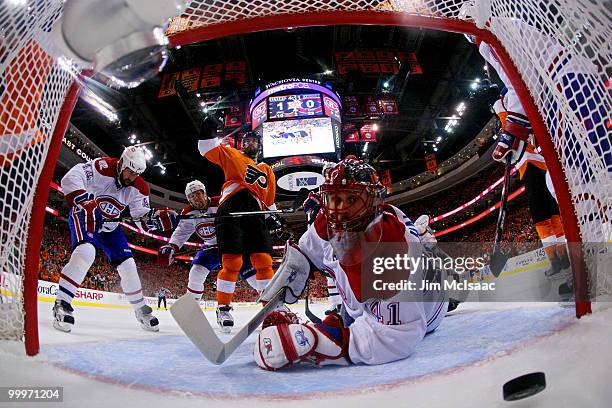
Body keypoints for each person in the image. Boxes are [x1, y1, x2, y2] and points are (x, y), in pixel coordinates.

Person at [254, 157, 448, 370]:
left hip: (429, 307)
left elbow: (397, 336)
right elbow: (307, 252)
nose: (340, 210)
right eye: (334, 198)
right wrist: (291, 272)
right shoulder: (325, 224)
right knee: (350, 313)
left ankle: (428, 245)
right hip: (364, 303)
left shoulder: (388, 249)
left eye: (352, 199)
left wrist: (312, 342)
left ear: (374, 201)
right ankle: (423, 238)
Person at [53, 146, 178, 333]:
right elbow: (69, 178)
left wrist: (155, 219)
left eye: (136, 174)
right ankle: (61, 303)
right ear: (121, 164)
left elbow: (140, 219)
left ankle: (141, 310)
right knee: (87, 252)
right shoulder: (101, 167)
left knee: (128, 265)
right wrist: (84, 200)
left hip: (110, 227)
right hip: (87, 216)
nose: (132, 177)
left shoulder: (140, 187)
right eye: (130, 171)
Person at [197, 121, 278, 332]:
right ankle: (223, 308)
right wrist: (208, 128)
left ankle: (268, 310)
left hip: (256, 214)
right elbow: (205, 148)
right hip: (231, 210)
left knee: (264, 260)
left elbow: (269, 202)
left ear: (259, 145)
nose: (251, 143)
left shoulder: (268, 170)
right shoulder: (232, 154)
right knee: (232, 262)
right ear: (243, 144)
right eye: (247, 140)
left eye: (254, 140)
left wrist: (273, 217)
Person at [157, 180, 259, 307]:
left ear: (205, 193)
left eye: (198, 194)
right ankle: (192, 307)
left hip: (233, 243)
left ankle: (270, 300)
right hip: (210, 246)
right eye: (192, 196)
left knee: (251, 275)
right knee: (196, 272)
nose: (196, 199)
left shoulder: (222, 201)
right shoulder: (188, 212)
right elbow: (181, 232)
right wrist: (171, 246)